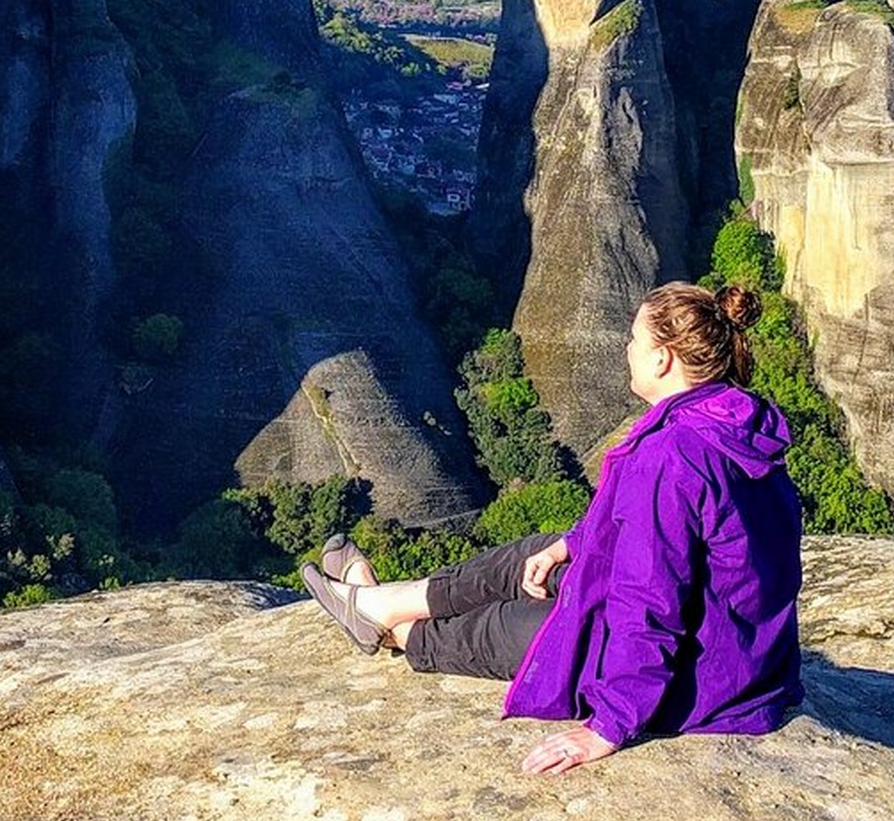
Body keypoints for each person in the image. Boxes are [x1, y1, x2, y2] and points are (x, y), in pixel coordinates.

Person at [301, 281, 804, 775]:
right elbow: (664, 530)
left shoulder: (671, 455)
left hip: (699, 679)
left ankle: (390, 628)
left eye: (634, 340)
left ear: (662, 359)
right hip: (738, 652)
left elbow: (650, 599)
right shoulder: (734, 419)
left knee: (501, 629)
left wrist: (610, 724)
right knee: (530, 555)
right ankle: (379, 603)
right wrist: (570, 544)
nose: (626, 349)